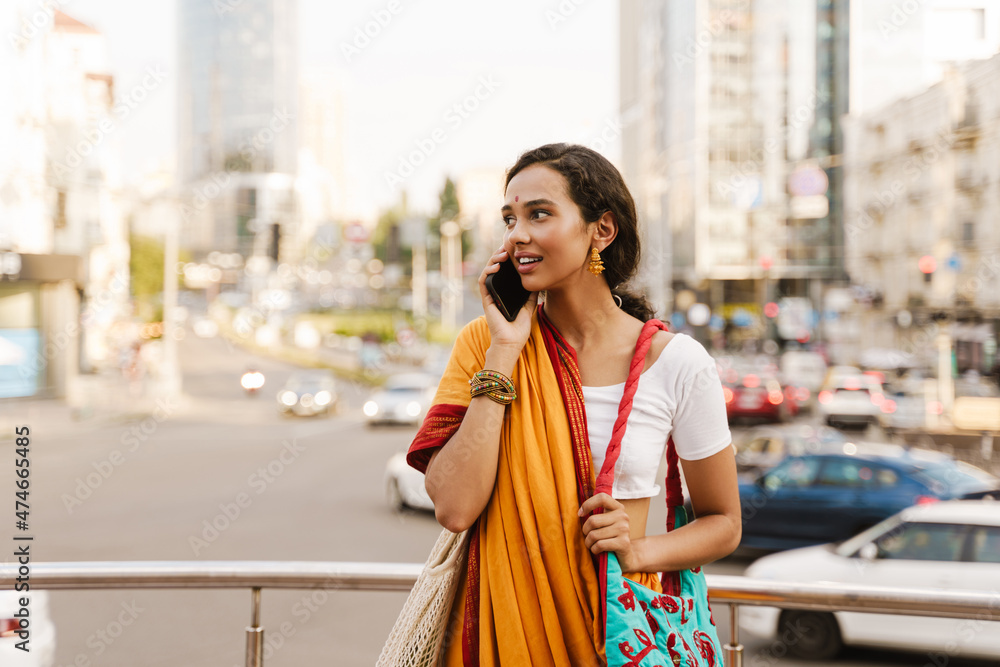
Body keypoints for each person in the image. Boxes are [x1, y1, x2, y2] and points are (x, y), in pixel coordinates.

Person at [407, 143, 741, 665]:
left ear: (601, 230)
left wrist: (639, 549)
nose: (517, 234)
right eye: (509, 218)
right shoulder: (484, 344)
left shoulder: (677, 362)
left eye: (539, 214)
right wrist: (504, 351)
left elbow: (724, 522)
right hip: (503, 639)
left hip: (618, 635)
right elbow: (453, 506)